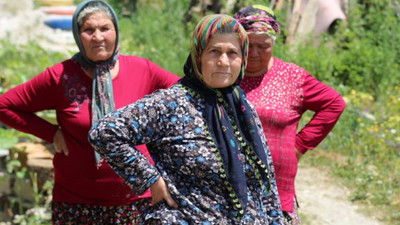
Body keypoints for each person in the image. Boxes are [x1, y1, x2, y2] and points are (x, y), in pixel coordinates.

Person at [88, 14, 283, 224]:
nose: (223, 61)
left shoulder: (242, 108)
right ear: (198, 56)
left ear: (242, 59)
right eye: (214, 51)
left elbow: (266, 183)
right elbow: (104, 133)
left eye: (232, 53)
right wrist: (150, 179)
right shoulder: (172, 103)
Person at [0, 0, 179, 224]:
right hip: (76, 204)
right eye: (88, 30)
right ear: (77, 34)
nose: (98, 37)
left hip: (136, 201)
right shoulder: (60, 77)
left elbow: (186, 97)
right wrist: (50, 133)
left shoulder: (143, 70)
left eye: (105, 28)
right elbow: (4, 105)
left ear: (116, 31)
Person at [233, 5, 346, 224]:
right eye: (248, 45)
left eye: (263, 46)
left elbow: (333, 103)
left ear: (273, 44)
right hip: (227, 190)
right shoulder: (225, 73)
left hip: (275, 193)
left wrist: (300, 145)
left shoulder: (291, 77)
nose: (255, 53)